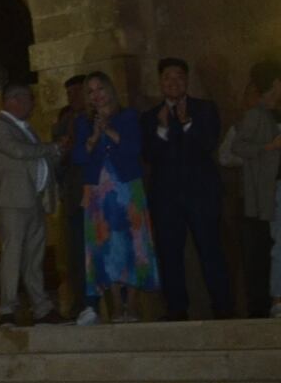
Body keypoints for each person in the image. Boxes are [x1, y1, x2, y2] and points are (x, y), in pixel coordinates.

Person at [141, 57, 233, 319]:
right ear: (161, 82)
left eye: (178, 76)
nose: (173, 82)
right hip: (166, 197)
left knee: (211, 250)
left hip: (201, 194)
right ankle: (176, 310)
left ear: (187, 80)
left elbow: (207, 144)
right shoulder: (150, 117)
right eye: (168, 77)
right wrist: (161, 128)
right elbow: (149, 155)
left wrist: (187, 122)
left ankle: (223, 308)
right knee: (169, 254)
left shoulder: (204, 109)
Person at [71, 70, 159, 324]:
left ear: (109, 90)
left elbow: (134, 148)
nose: (96, 95)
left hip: (127, 188)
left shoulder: (128, 116)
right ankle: (115, 306)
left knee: (133, 242)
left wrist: (108, 130)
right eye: (90, 91)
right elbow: (78, 157)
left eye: (100, 89)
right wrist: (93, 137)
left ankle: (131, 304)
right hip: (99, 193)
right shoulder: (82, 122)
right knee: (105, 246)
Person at [0, 82, 62, 326]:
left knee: (34, 258)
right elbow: (18, 152)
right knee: (13, 254)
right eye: (30, 98)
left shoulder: (28, 129)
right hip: (11, 201)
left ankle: (41, 308)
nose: (33, 103)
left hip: (34, 201)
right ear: (13, 100)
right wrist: (52, 148)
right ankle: (7, 309)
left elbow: (38, 158)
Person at [218, 63, 279, 319]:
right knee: (256, 258)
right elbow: (226, 156)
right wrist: (261, 154)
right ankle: (260, 309)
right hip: (253, 201)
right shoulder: (244, 124)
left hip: (274, 195)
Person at [50, 74, 92, 312]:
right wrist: (62, 150)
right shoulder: (63, 124)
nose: (73, 97)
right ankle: (81, 304)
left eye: (78, 92)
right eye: (69, 94)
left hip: (96, 193)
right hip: (73, 197)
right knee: (76, 254)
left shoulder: (96, 118)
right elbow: (55, 164)